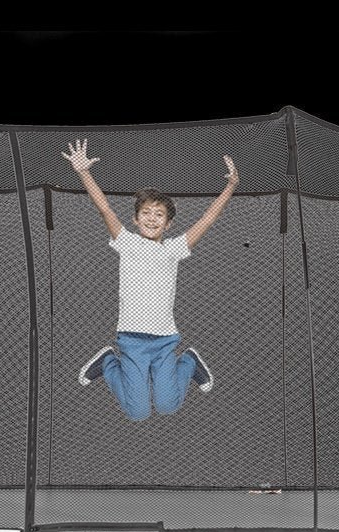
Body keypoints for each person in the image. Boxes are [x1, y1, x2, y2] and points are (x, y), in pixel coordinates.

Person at [62, 137, 238, 421]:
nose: (152, 218)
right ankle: (107, 362)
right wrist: (83, 172)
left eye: (159, 215)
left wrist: (231, 187)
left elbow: (207, 220)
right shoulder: (126, 242)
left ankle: (189, 361)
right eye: (146, 213)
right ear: (135, 219)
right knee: (138, 413)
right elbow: (105, 208)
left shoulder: (174, 249)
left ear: (168, 224)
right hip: (131, 340)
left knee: (168, 406)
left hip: (165, 340)